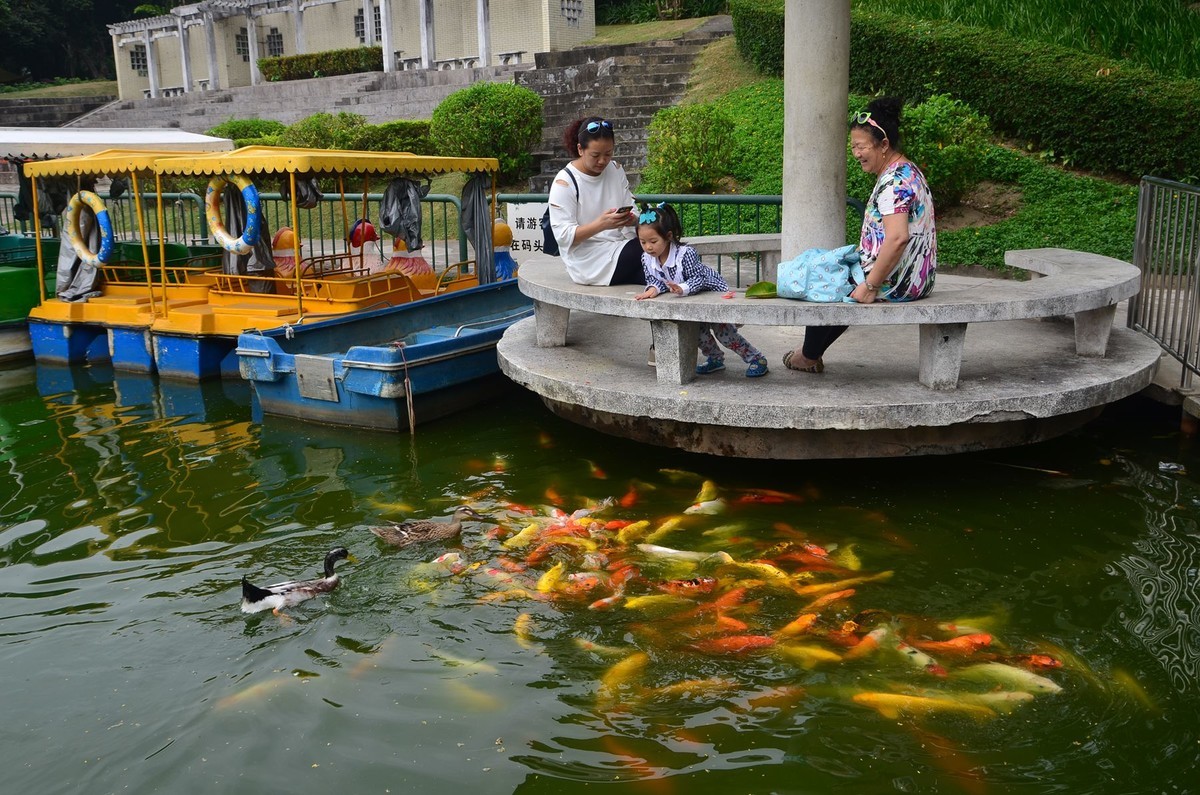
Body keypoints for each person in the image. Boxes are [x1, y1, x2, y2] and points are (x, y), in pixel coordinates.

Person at [783, 96, 937, 373]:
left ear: (884, 145)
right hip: (917, 276)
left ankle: (807, 356)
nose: (856, 153)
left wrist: (870, 286)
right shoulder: (908, 170)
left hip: (896, 281)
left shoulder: (894, 183)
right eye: (853, 146)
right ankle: (810, 353)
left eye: (861, 146)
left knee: (824, 279)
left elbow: (898, 237)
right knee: (837, 271)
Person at [635, 203, 769, 378]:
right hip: (688, 297)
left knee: (724, 332)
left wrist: (681, 287)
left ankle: (756, 358)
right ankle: (715, 359)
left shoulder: (685, 254)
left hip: (712, 293)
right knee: (697, 332)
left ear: (668, 236)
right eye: (642, 242)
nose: (648, 247)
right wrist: (652, 289)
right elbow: (655, 280)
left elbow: (699, 279)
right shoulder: (647, 258)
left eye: (653, 241)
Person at [547, 116, 643, 286]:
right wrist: (602, 224)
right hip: (588, 260)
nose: (602, 161)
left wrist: (631, 219)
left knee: (662, 250)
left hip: (621, 246)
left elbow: (633, 208)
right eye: (595, 155)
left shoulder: (615, 169)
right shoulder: (565, 182)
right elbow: (563, 237)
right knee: (649, 251)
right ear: (580, 149)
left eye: (608, 154)